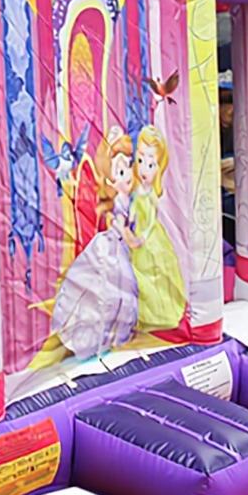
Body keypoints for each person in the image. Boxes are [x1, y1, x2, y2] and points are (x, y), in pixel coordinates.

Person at [50, 126, 139, 359]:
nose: (127, 176)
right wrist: (130, 237)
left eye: (128, 167)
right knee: (109, 285)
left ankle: (116, 332)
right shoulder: (117, 201)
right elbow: (118, 222)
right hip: (113, 245)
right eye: (120, 170)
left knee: (121, 289)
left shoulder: (127, 198)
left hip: (118, 246)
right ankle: (102, 333)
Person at [127, 125, 188, 332]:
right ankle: (145, 316)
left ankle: (162, 315)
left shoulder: (150, 193)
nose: (144, 168)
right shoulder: (137, 190)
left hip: (150, 236)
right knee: (141, 276)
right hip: (138, 235)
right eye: (141, 161)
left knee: (156, 273)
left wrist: (144, 235)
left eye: (151, 164)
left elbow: (152, 216)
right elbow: (133, 211)